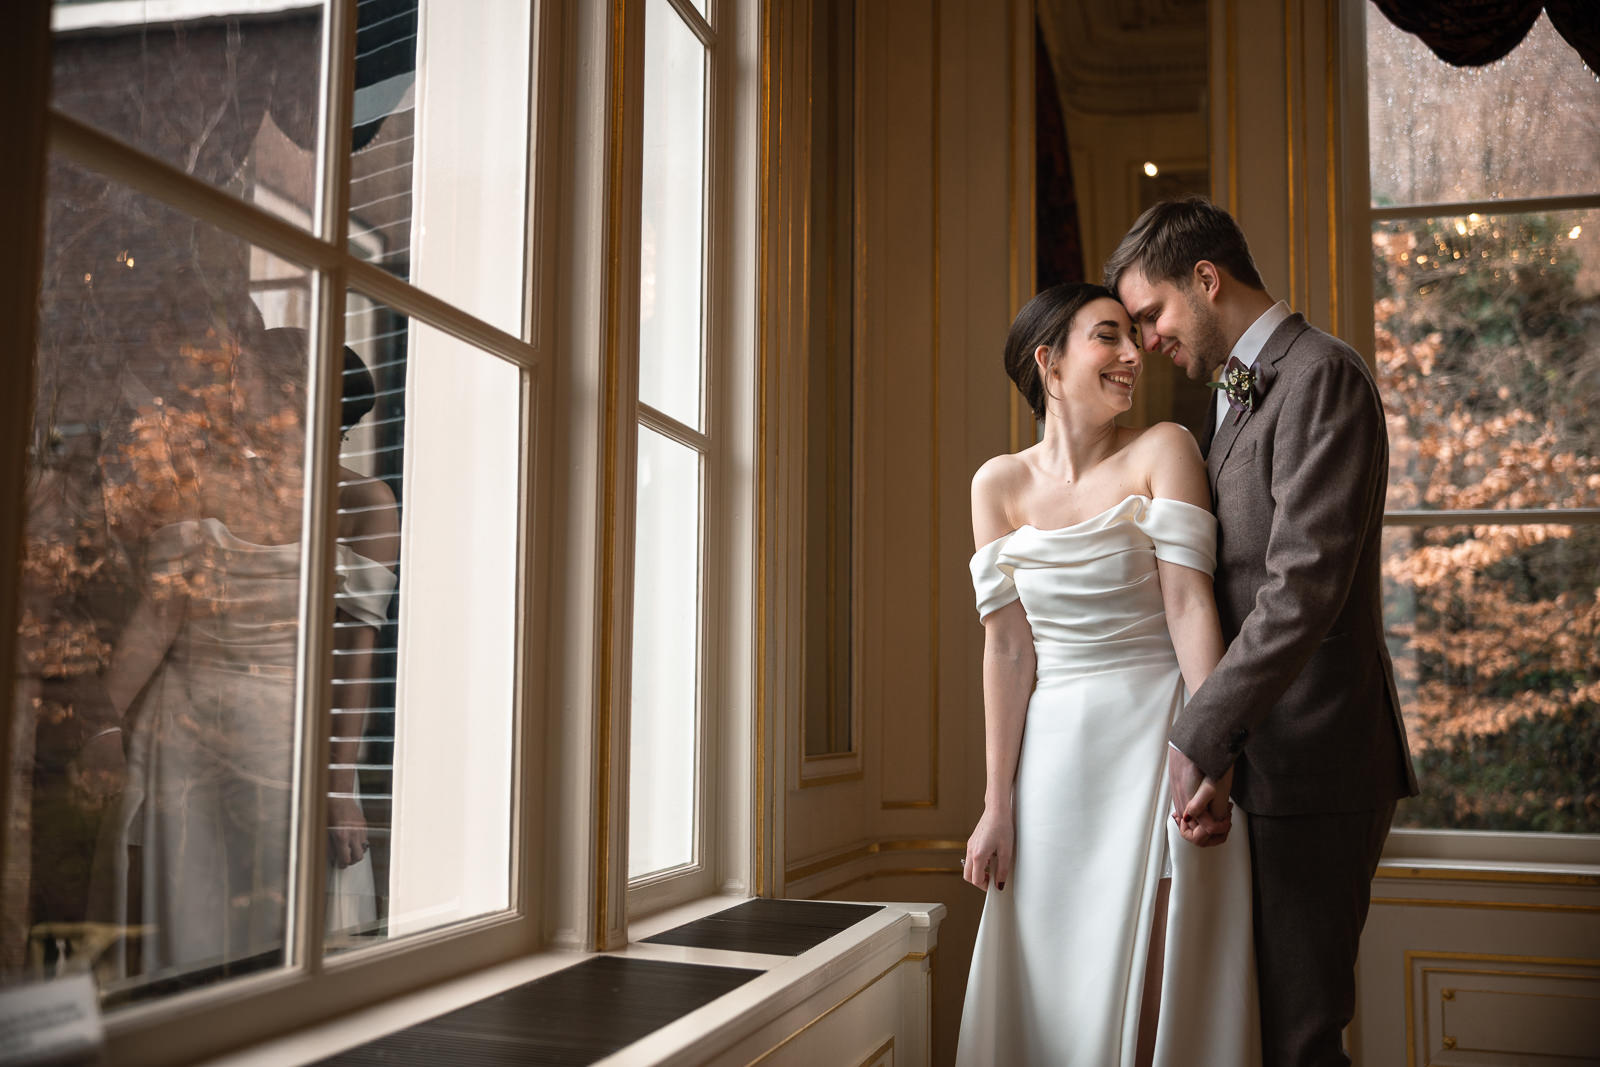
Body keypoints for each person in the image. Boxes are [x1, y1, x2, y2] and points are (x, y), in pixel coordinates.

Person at [1105, 196, 1418, 1067]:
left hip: (1317, 761)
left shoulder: (1323, 375)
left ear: (1207, 279)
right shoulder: (1238, 394)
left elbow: (1301, 590)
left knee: (1298, 1037)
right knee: (1254, 1028)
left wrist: (1199, 734)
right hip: (1259, 761)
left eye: (1153, 314)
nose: (1147, 341)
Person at [956, 282, 1259, 1065]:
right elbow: (1007, 650)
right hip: (1054, 763)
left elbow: (1192, 606)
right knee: (1055, 982)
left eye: (1134, 336)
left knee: (1159, 978)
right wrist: (998, 803)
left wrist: (1212, 749)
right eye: (1108, 337)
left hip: (1159, 739)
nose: (1134, 355)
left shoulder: (1163, 448)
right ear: (1048, 363)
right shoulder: (998, 484)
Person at [80, 325, 399, 977]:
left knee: (288, 931)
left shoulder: (364, 502)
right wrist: (105, 720)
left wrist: (339, 782)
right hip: (186, 736)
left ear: (286, 391)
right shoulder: (201, 486)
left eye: (239, 377)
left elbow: (353, 650)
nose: (226, 393)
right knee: (183, 925)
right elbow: (158, 617)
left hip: (292, 739)